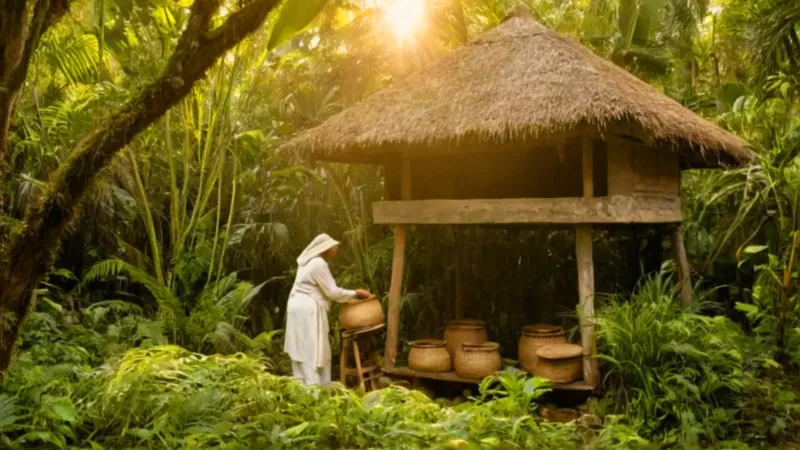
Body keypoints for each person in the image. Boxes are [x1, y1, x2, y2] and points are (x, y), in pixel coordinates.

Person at [284, 234, 371, 385]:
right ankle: (314, 391)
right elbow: (332, 292)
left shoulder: (307, 263)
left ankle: (304, 391)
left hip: (296, 308)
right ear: (325, 250)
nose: (335, 253)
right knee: (311, 351)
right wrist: (356, 294)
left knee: (301, 349)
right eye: (334, 249)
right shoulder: (318, 263)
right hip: (308, 310)